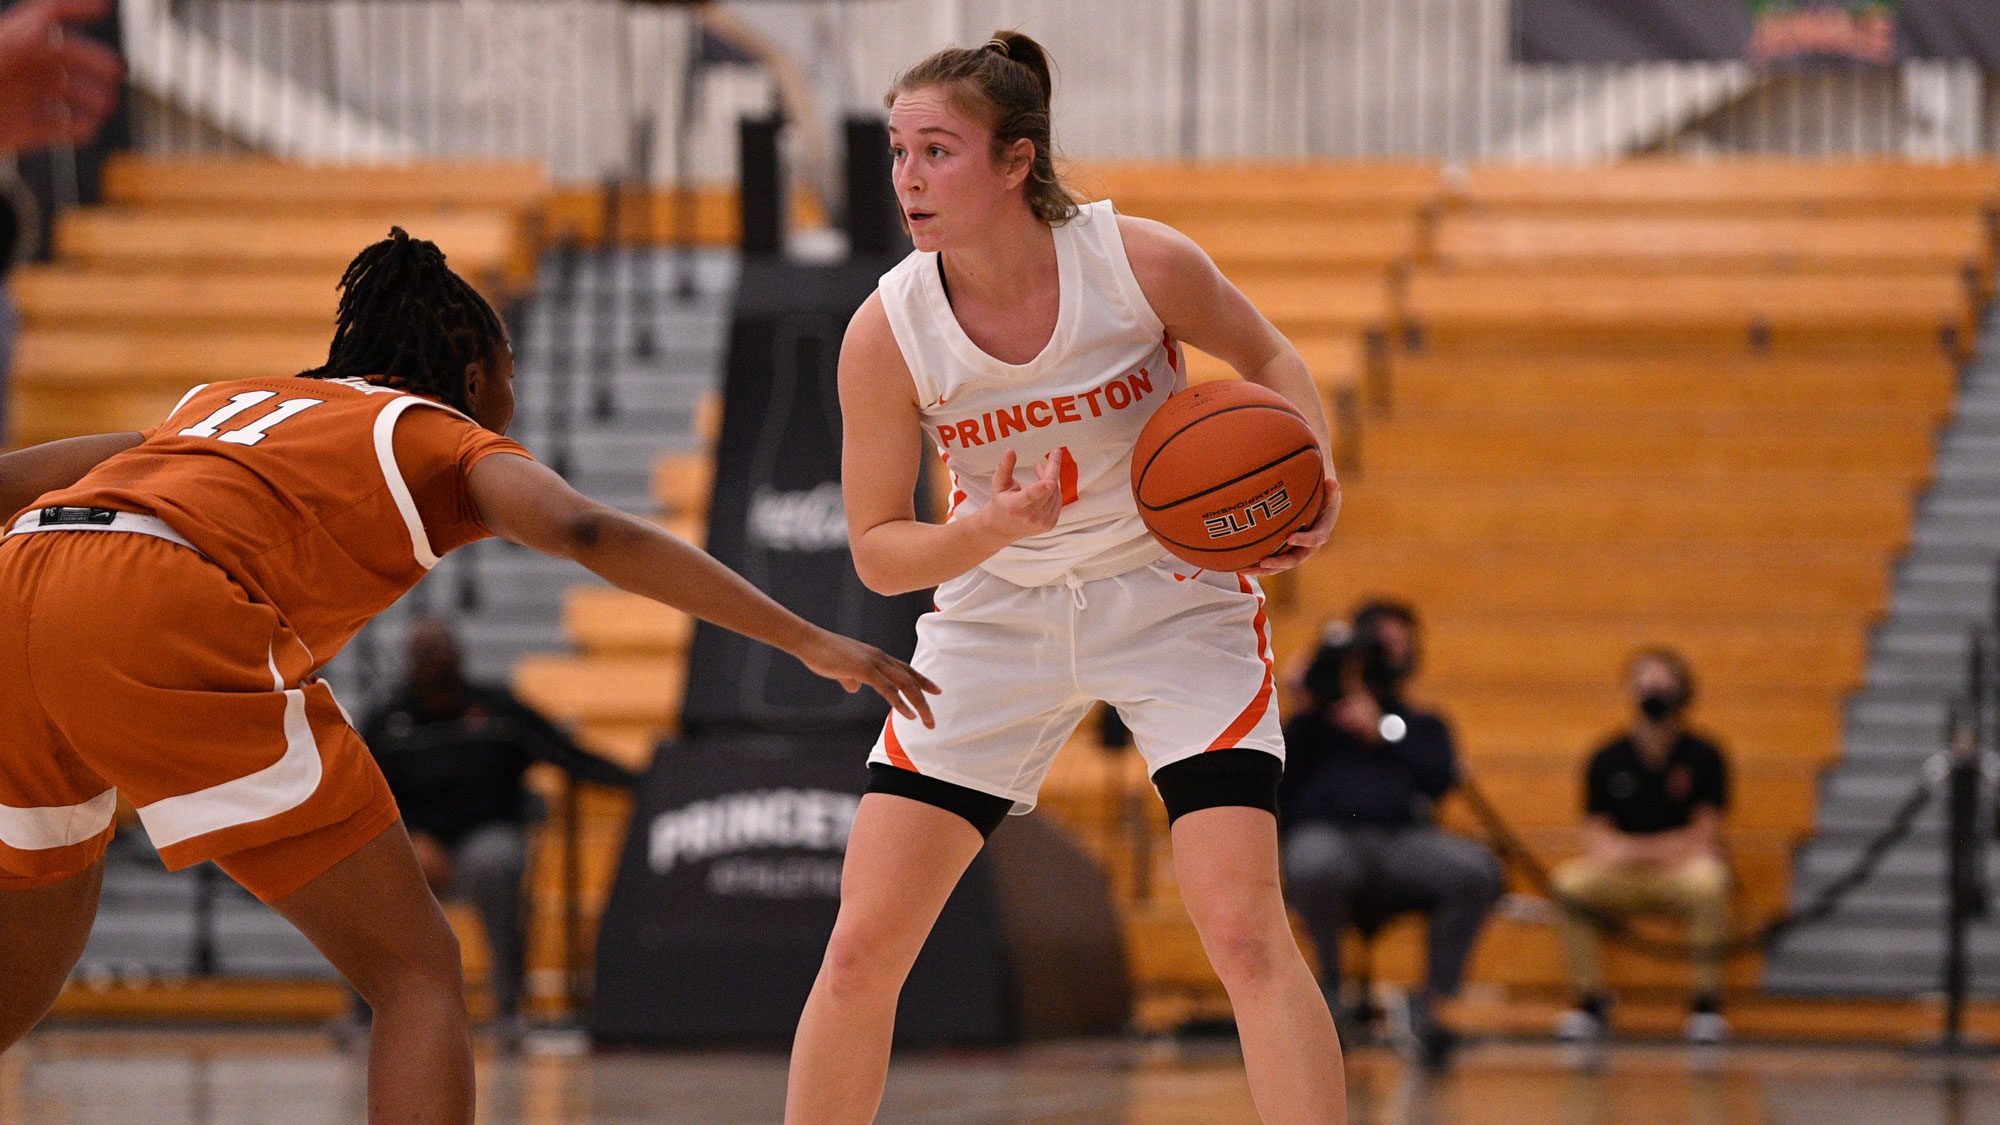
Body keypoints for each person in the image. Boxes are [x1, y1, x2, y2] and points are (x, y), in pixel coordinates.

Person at [0, 227, 938, 1124]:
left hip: (22, 580)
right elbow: (587, 530)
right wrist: (808, 637)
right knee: (415, 970)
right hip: (155, 599)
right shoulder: (437, 433)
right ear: (479, 375)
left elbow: (24, 481)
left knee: (22, 969)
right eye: (513, 376)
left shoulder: (225, 403)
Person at [788, 32, 1345, 1125]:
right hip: (997, 615)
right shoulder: (886, 330)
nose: (905, 177)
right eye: (897, 151)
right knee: (859, 947)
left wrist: (1312, 483)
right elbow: (876, 545)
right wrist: (986, 530)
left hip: (1172, 598)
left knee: (1240, 927)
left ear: (1014, 161)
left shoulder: (1138, 263)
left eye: (936, 151)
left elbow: (1272, 361)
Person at [358, 616, 639, 1039]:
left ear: (458, 656)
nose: (431, 658)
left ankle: (509, 1006)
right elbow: (363, 791)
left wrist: (646, 781)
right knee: (365, 871)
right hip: (412, 842)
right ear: (408, 662)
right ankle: (367, 1013)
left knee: (495, 862)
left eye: (439, 649)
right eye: (422, 651)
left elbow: (569, 756)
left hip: (485, 835)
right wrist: (410, 836)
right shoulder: (387, 721)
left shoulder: (499, 711)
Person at [1278, 600, 1502, 1070]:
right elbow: (1275, 784)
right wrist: (1300, 706)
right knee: (1315, 862)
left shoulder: (1422, 723)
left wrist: (1382, 728)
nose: (1388, 654)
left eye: (1399, 645)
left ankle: (1431, 1006)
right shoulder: (1310, 722)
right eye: (1378, 644)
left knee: (1477, 871)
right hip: (1326, 838)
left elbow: (1439, 780)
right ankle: (1329, 999)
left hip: (1402, 843)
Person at [1553, 648, 1732, 1045]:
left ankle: (1705, 1003)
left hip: (1679, 874)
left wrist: (1635, 850)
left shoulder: (1705, 756)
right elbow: (1596, 838)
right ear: (1630, 689)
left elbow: (1705, 836)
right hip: (1625, 875)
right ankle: (1590, 1000)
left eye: (1664, 680)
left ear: (1684, 690)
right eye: (1645, 680)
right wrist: (1654, 850)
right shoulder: (1606, 757)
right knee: (1569, 883)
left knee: (1709, 881)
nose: (1654, 689)